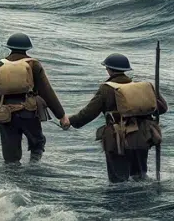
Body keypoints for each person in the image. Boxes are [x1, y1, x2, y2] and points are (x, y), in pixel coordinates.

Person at [67, 53, 168, 182]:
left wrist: (71, 121)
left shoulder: (106, 89)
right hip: (143, 137)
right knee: (140, 176)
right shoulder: (142, 87)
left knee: (118, 181)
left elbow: (89, 113)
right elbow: (162, 108)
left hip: (118, 139)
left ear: (109, 70)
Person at [0, 33, 67, 164]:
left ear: (9, 47)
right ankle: (34, 165)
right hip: (29, 112)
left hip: (5, 114)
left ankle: (12, 180)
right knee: (38, 142)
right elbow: (47, 92)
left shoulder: (0, 65)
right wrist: (61, 115)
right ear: (27, 48)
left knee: (11, 157)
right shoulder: (34, 65)